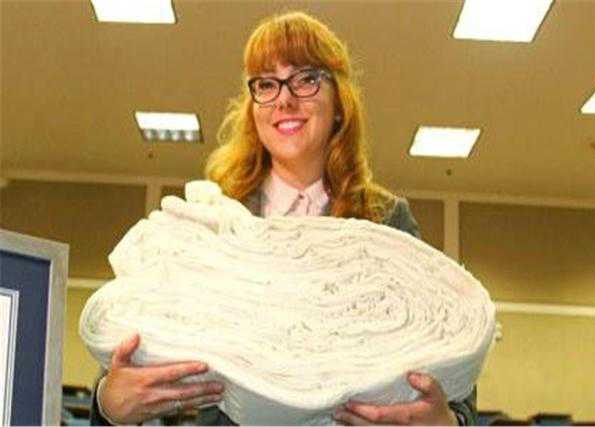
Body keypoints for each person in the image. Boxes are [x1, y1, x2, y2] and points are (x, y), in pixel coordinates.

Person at [89, 10, 478, 426]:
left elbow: (453, 379)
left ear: (339, 103)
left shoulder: (386, 221)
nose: (284, 100)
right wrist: (110, 405)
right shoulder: (207, 222)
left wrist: (447, 423)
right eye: (266, 84)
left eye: (305, 79)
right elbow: (129, 363)